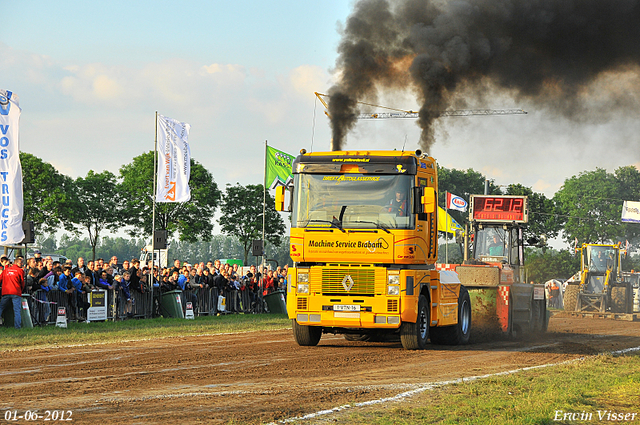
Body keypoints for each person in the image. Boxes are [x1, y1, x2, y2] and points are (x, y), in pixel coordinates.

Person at [0, 256, 25, 328]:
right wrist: (21, 290)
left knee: (1, 308)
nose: (22, 264)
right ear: (17, 262)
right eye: (21, 262)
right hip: (16, 292)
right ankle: (17, 327)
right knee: (17, 310)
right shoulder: (20, 271)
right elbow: (22, 282)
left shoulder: (6, 270)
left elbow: (0, 279)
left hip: (6, 292)